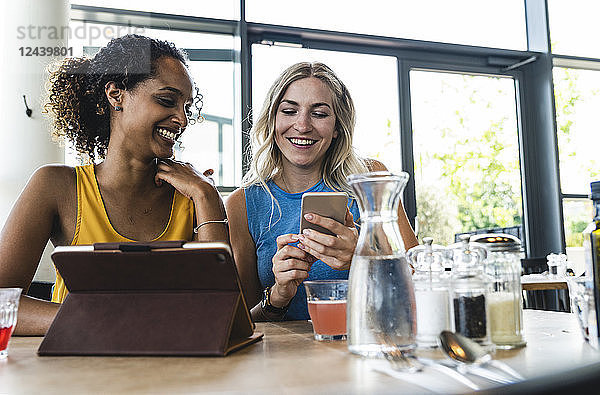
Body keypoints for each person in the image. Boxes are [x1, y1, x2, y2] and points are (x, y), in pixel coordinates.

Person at [0, 35, 228, 335]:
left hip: (174, 371)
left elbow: (224, 312)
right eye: (167, 101)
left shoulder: (193, 196)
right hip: (75, 370)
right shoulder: (56, 186)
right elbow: (2, 302)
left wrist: (206, 193)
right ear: (116, 94)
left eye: (187, 106)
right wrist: (105, 319)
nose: (182, 119)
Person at [226, 62, 418, 322]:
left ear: (337, 126)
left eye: (319, 114)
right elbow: (244, 324)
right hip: (285, 359)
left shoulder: (371, 178)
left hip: (366, 347)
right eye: (289, 111)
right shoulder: (243, 203)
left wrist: (361, 258)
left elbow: (419, 283)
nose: (302, 125)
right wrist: (278, 295)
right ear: (273, 120)